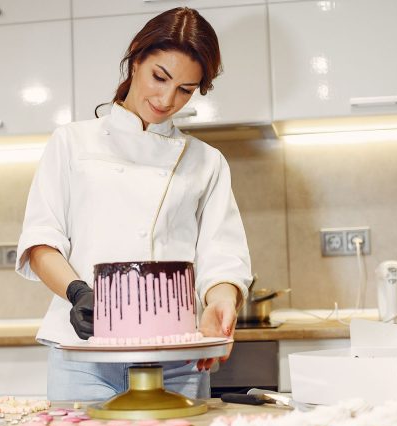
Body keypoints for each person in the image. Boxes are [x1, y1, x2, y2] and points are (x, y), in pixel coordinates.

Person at [16, 7, 252, 401]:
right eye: (159, 77)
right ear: (136, 59)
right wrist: (79, 293)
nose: (166, 98)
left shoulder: (206, 161)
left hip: (177, 358)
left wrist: (222, 302)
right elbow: (41, 240)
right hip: (84, 354)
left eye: (185, 90)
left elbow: (223, 256)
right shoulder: (72, 143)